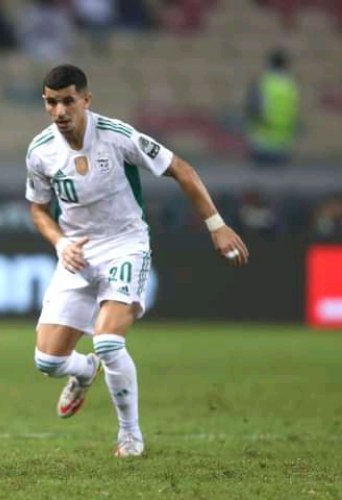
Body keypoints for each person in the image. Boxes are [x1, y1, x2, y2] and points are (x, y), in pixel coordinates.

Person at [25, 65, 249, 457]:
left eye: (68, 101)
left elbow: (181, 169)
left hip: (125, 244)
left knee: (109, 342)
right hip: (76, 253)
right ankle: (84, 370)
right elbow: (38, 210)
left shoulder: (117, 136)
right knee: (47, 361)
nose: (59, 111)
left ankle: (130, 435)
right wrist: (60, 243)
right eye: (51, 102)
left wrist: (216, 225)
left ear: (86, 100)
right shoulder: (40, 151)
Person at [245, 48, 299, 166]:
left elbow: (253, 108)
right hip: (283, 140)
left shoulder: (264, 82)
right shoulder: (289, 84)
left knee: (262, 175)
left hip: (262, 140)